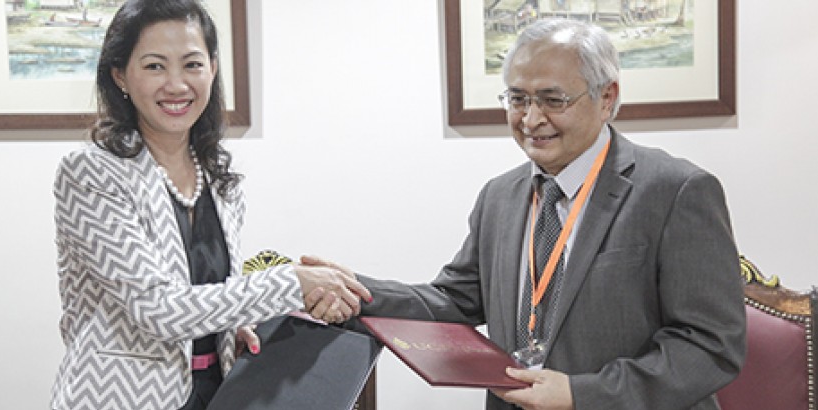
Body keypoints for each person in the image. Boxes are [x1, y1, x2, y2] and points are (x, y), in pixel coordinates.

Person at [313, 18, 746, 410]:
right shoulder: (499, 196)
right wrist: (353, 289)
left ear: (607, 97)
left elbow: (710, 346)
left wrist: (581, 395)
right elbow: (456, 301)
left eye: (553, 100)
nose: (532, 119)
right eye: (518, 99)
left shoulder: (676, 191)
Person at [49, 1, 369, 409]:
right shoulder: (91, 173)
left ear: (213, 69)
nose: (177, 84)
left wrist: (231, 329)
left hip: (217, 395)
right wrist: (292, 283)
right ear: (120, 76)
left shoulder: (218, 173)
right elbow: (156, 309)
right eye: (154, 66)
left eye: (192, 64)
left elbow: (208, 293)